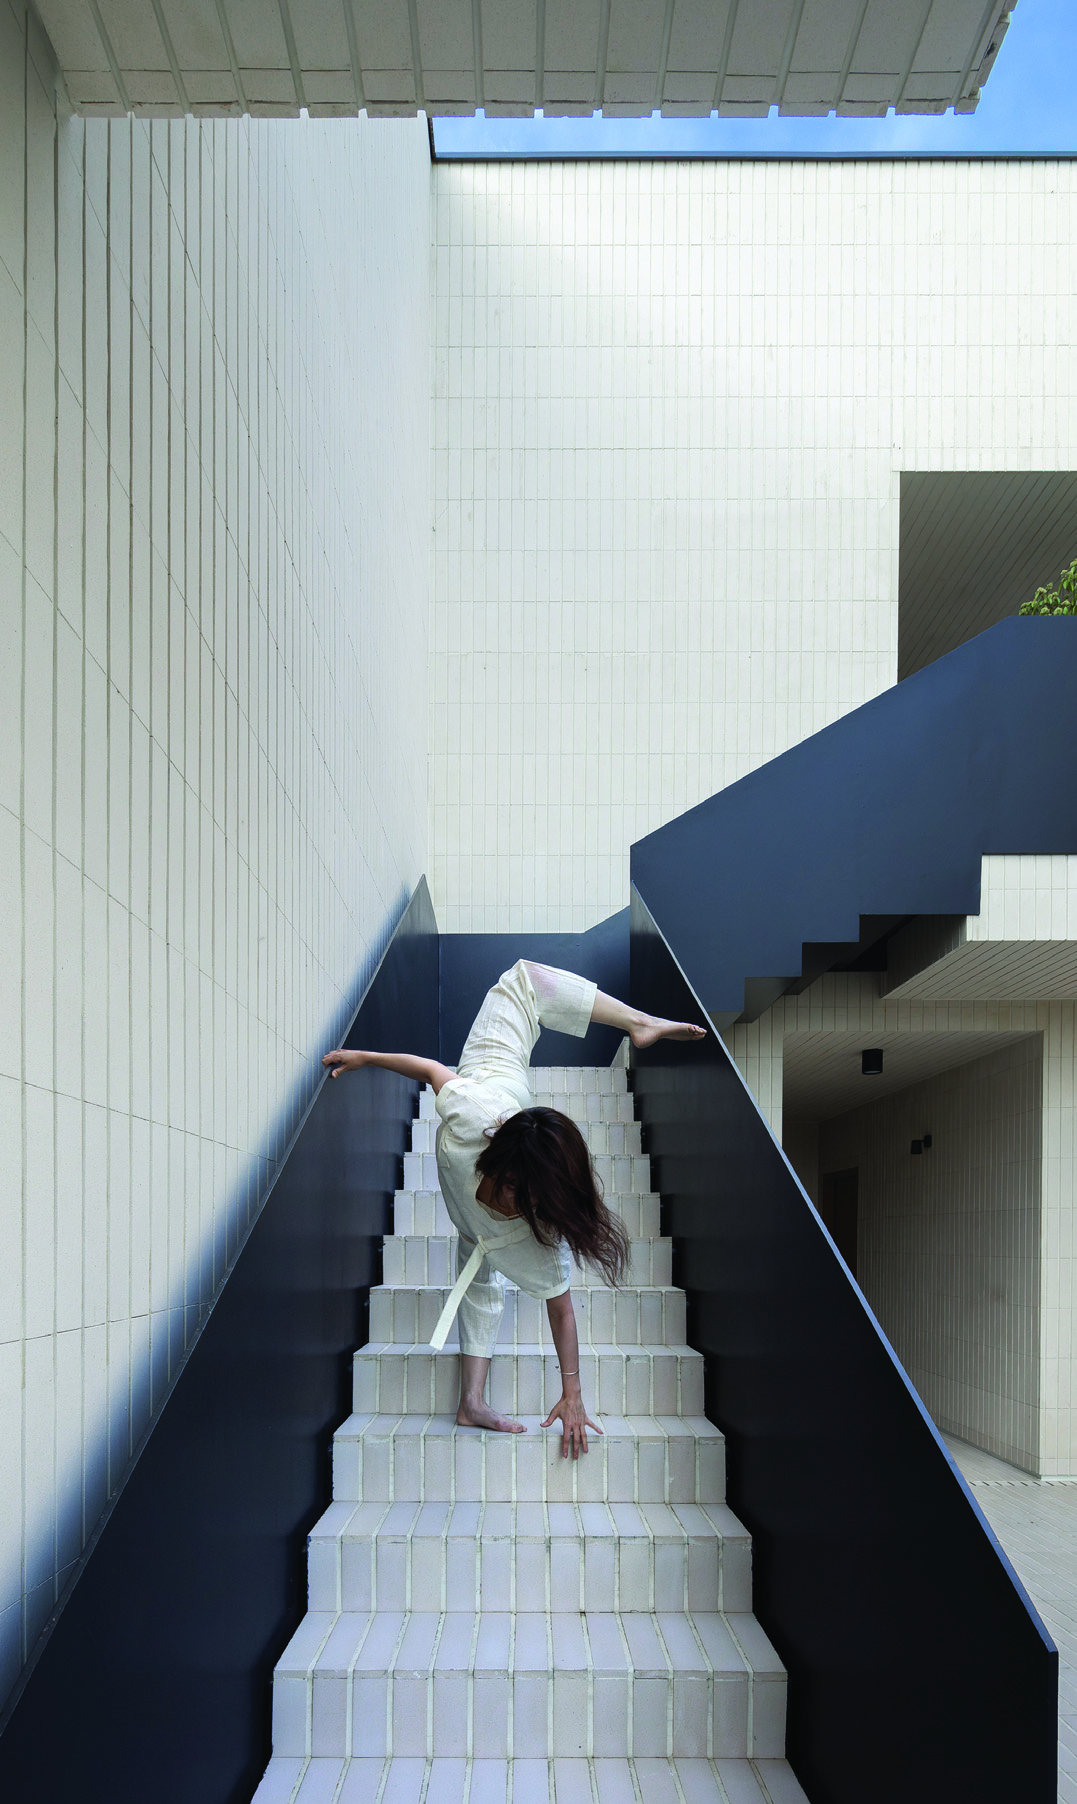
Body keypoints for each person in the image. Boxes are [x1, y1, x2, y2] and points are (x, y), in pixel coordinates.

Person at [322, 960, 706, 1458]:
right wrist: (366, 1056)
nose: (504, 1194)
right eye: (505, 1181)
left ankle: (471, 1402)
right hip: (494, 1076)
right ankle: (638, 1021)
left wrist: (572, 1393)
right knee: (522, 980)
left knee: (480, 1265)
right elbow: (432, 1070)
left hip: (484, 1211)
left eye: (517, 1196)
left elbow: (562, 1309)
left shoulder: (537, 1240)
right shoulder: (475, 1113)